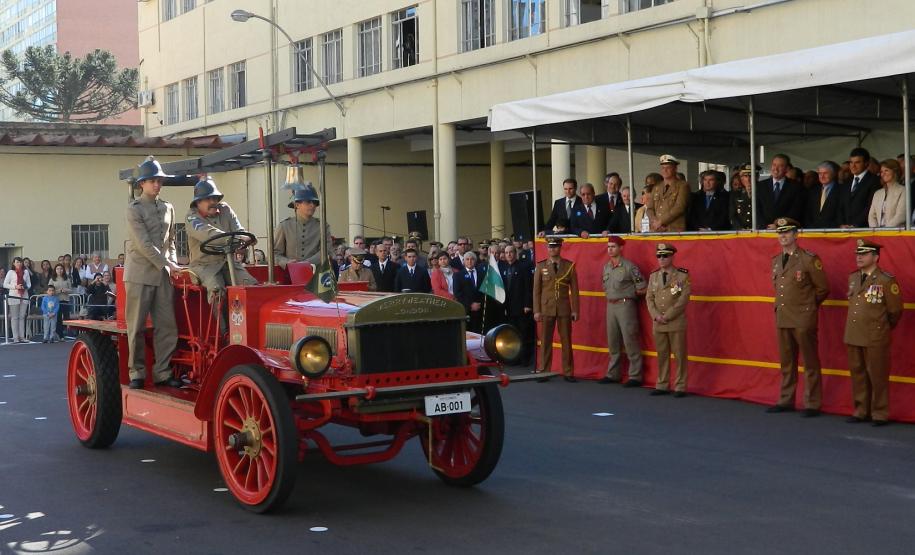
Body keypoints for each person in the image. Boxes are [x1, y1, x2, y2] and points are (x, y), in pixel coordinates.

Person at [124, 156, 181, 390]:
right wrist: (168, 264)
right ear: (142, 184)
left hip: (163, 274)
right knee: (136, 327)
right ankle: (136, 372)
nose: (157, 185)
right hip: (140, 274)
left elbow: (172, 241)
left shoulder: (168, 207)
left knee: (167, 327)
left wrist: (173, 263)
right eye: (152, 181)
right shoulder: (134, 209)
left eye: (159, 181)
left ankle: (162, 373)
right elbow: (143, 244)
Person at [767, 218, 829, 416]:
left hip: (803, 317)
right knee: (787, 362)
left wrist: (808, 306)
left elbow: (822, 288)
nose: (783, 236)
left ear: (796, 235)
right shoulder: (776, 260)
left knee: (810, 362)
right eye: (780, 233)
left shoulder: (808, 259)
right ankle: (786, 400)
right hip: (783, 316)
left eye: (787, 232)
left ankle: (812, 403)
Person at [844, 240, 902, 426]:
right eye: (858, 254)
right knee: (858, 374)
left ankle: (879, 413)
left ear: (876, 257)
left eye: (864, 254)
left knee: (878, 376)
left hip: (875, 335)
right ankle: (861, 410)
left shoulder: (885, 280)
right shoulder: (853, 278)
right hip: (854, 334)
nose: (859, 257)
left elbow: (895, 311)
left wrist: (882, 327)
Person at [186, 177, 258, 311]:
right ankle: (222, 324)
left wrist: (247, 239)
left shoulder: (225, 210)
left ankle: (248, 323)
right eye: (208, 199)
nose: (213, 202)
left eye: (215, 198)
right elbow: (210, 235)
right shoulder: (192, 218)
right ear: (198, 202)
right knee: (216, 290)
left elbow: (239, 230)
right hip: (204, 266)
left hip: (229, 263)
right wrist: (238, 238)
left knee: (251, 287)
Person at [597, 236, 647, 387]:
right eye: (608, 247)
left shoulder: (629, 267)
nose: (610, 250)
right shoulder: (606, 267)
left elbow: (642, 287)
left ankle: (635, 376)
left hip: (625, 305)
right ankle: (613, 374)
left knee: (630, 340)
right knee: (613, 341)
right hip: (610, 306)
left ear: (621, 248)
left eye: (613, 246)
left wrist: (629, 295)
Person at [645, 243, 690, 397]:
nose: (661, 259)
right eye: (659, 256)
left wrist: (667, 316)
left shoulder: (681, 276)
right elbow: (649, 298)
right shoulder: (653, 276)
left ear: (672, 256)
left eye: (665, 256)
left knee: (679, 355)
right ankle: (662, 384)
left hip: (675, 321)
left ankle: (680, 386)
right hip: (658, 322)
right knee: (662, 354)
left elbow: (683, 299)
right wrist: (656, 315)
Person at [532, 237, 579, 381]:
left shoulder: (569, 266)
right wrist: (537, 310)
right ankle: (544, 371)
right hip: (546, 308)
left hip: (564, 308)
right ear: (547, 248)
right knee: (545, 341)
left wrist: (575, 310)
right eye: (550, 247)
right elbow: (536, 291)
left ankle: (568, 372)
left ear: (560, 248)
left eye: (555, 246)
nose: (552, 249)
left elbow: (575, 291)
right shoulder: (541, 266)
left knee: (566, 341)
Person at [274, 182, 333, 269]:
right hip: (290, 273)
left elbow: (327, 250)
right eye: (308, 202)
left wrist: (307, 263)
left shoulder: (322, 226)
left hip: (315, 273)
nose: (312, 205)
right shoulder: (285, 226)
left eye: (315, 202)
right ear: (297, 205)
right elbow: (275, 253)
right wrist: (286, 262)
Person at [500, 244, 534, 366]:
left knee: (523, 333)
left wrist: (528, 304)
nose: (508, 254)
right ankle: (514, 358)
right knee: (512, 334)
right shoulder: (503, 268)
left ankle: (525, 359)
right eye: (506, 252)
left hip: (521, 307)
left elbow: (528, 287)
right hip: (509, 307)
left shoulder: (523, 267)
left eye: (511, 252)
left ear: (515, 253)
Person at [756, 154, 805, 229]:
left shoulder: (796, 187)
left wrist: (779, 225)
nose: (776, 169)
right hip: (764, 231)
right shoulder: (760, 186)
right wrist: (766, 226)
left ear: (787, 169)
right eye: (774, 165)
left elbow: (795, 211)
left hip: (786, 230)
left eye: (780, 166)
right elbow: (757, 210)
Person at [839, 147, 880, 228]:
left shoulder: (874, 181)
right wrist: (841, 224)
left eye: (857, 162)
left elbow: (870, 206)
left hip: (863, 228)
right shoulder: (847, 182)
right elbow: (840, 206)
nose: (853, 166)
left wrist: (856, 225)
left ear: (866, 163)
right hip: (845, 229)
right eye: (851, 162)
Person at [650, 155, 689, 232]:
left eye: (668, 168)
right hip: (657, 229)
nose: (665, 170)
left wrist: (661, 222)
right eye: (663, 168)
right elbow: (649, 208)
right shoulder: (657, 187)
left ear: (675, 169)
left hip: (674, 230)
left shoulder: (683, 186)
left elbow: (679, 207)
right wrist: (655, 221)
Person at [867, 159, 906, 228]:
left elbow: (901, 215)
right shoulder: (877, 193)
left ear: (895, 171)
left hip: (896, 232)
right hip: (878, 232)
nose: (883, 174)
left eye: (886, 170)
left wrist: (886, 230)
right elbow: (872, 216)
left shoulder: (903, 190)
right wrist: (875, 229)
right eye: (881, 171)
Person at [453, 251, 486, 333]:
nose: (470, 261)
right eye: (467, 259)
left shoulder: (482, 273)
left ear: (475, 261)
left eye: (472, 259)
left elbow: (485, 290)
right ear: (464, 261)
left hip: (480, 309)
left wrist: (479, 303)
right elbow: (457, 293)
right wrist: (470, 304)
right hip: (466, 310)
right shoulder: (458, 275)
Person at [805, 161, 842, 228]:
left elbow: (842, 213)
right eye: (820, 173)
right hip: (813, 231)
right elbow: (808, 214)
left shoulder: (842, 190)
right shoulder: (813, 191)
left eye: (825, 173)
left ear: (833, 174)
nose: (822, 176)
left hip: (833, 230)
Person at [3, 257, 31, 342]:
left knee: (22, 317)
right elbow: (5, 284)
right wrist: (15, 286)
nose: (19, 263)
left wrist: (25, 287)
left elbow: (29, 284)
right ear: (14, 263)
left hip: (24, 295)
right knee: (15, 317)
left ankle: (22, 336)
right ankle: (15, 337)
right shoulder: (10, 272)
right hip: (14, 296)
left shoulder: (26, 272)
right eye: (17, 262)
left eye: (20, 262)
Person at [49, 263, 72, 339]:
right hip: (56, 301)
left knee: (66, 317)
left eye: (61, 269)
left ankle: (64, 331)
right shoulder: (52, 279)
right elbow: (50, 291)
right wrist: (59, 291)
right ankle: (60, 334)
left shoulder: (67, 278)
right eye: (58, 269)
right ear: (55, 270)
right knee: (58, 318)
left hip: (65, 300)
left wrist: (66, 290)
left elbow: (71, 290)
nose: (59, 270)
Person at [729, 164, 755, 230]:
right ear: (741, 178)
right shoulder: (735, 194)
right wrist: (740, 228)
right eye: (745, 176)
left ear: (756, 177)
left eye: (751, 176)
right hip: (739, 231)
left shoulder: (762, 192)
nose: (748, 179)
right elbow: (733, 215)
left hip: (758, 230)